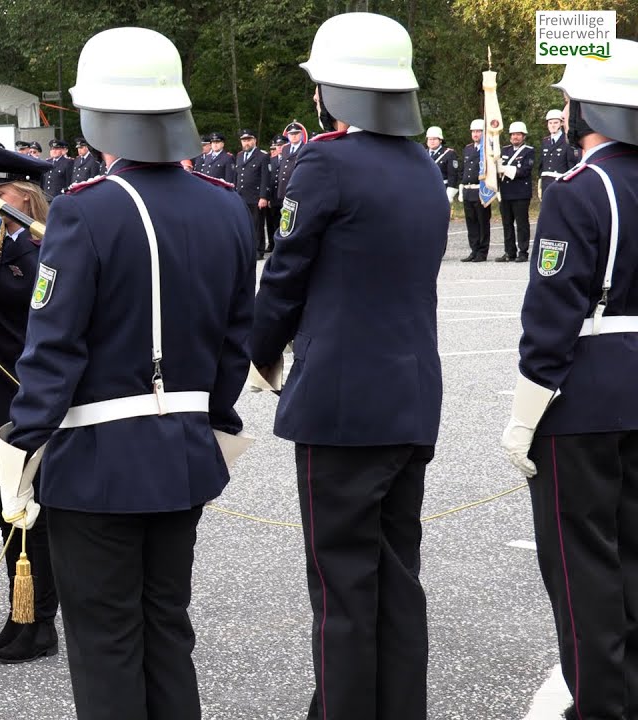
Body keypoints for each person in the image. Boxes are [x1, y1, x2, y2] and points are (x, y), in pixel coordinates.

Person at [3, 26, 254, 720]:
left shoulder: (85, 210)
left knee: (106, 643)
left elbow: (53, 349)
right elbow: (237, 341)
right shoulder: (227, 206)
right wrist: (206, 419)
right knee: (167, 630)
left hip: (96, 463)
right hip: (185, 453)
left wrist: (24, 440)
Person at [250, 13, 447, 720]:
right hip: (410, 396)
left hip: (341, 403)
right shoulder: (422, 165)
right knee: (396, 579)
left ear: (334, 90)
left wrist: (257, 350)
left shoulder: (326, 162)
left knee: (342, 590)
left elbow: (286, 274)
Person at [500, 40, 638, 720]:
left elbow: (553, 315)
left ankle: (601, 707)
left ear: (587, 108)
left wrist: (525, 414)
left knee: (583, 568)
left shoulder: (579, 189)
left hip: (584, 399)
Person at [0, 143, 61, 664]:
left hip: (22, 396)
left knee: (30, 514)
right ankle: (19, 613)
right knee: (7, 513)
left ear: (22, 196)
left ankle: (39, 621)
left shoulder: (43, 247)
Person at [497, 121, 534, 262]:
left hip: (520, 193)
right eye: (513, 134)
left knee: (521, 224)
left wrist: (505, 169)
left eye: (518, 134)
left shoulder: (528, 151)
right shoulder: (504, 150)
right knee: (507, 224)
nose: (515, 137)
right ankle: (509, 252)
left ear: (523, 136)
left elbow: (524, 171)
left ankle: (523, 252)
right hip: (505, 192)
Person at [235, 129, 271, 259]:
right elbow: (237, 176)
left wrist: (263, 197)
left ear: (254, 140)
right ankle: (247, 249)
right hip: (241, 196)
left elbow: (265, 178)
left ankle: (258, 250)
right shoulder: (239, 156)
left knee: (257, 225)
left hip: (256, 197)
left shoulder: (262, 156)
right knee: (243, 225)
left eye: (249, 140)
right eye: (244, 140)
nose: (246, 143)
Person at [460, 119, 491, 262]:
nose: (475, 134)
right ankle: (474, 250)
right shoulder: (468, 149)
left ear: (484, 133)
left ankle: (482, 252)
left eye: (478, 131)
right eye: (473, 131)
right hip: (468, 190)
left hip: (481, 190)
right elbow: (464, 169)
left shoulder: (488, 149)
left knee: (482, 222)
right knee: (471, 222)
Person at [538, 108, 575, 195]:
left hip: (561, 184)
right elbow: (542, 164)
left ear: (561, 123)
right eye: (550, 123)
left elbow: (571, 165)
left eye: (555, 123)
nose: (552, 125)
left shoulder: (567, 141)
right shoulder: (545, 141)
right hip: (546, 183)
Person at [425, 125, 460, 208]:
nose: (432, 141)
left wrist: (450, 193)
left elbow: (453, 175)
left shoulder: (448, 153)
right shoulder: (423, 153)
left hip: (441, 189)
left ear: (440, 140)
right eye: (430, 139)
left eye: (434, 139)